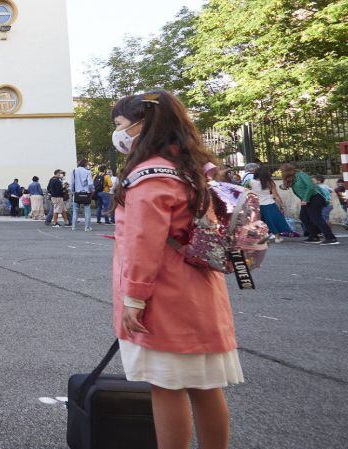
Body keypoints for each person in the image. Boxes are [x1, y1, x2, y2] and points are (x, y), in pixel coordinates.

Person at [111, 91, 242, 449]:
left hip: (165, 294)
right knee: (205, 387)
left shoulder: (149, 175)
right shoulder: (189, 168)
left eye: (122, 125)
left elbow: (143, 241)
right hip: (200, 290)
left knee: (166, 386)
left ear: (142, 125)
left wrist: (134, 298)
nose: (119, 133)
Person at [281, 164, 338, 245]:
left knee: (316, 218)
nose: (282, 173)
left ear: (287, 171)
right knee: (304, 217)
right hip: (308, 199)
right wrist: (282, 186)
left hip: (315, 197)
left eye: (282, 171)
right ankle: (314, 237)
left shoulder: (301, 175)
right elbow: (291, 186)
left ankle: (331, 238)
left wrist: (305, 199)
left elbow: (310, 186)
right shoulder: (292, 178)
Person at [247, 166, 291, 243]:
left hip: (255, 204)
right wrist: (281, 205)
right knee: (272, 221)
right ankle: (277, 237)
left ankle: (262, 238)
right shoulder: (269, 182)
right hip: (269, 204)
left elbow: (245, 192)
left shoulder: (249, 182)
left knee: (259, 221)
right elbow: (276, 195)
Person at [70, 160, 95, 231]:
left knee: (75, 211)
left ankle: (73, 227)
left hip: (77, 193)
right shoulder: (88, 172)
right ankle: (87, 227)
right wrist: (92, 190)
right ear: (85, 164)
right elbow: (90, 184)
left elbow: (72, 183)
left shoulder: (74, 171)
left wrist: (72, 191)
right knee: (87, 211)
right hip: (86, 193)